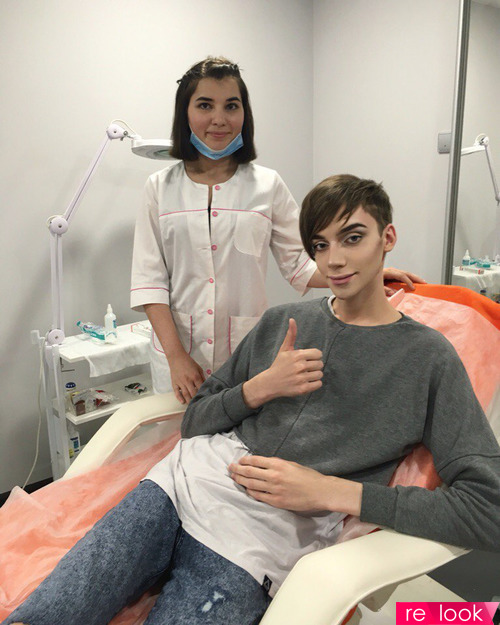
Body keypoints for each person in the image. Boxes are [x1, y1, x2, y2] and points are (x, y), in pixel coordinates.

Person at [6, 174, 500, 625]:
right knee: (44, 616)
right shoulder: (283, 322)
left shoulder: (428, 358)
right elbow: (195, 421)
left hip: (260, 540)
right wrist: (258, 388)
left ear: (387, 238)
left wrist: (330, 491)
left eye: (353, 238)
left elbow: (489, 509)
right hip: (180, 487)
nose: (334, 260)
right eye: (320, 245)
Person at [130, 56, 422, 402]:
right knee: (176, 433)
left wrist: (367, 271)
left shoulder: (267, 185)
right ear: (185, 112)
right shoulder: (159, 188)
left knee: (242, 429)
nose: (219, 119)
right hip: (179, 358)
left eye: (231, 106)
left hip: (246, 350)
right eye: (205, 105)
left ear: (245, 113)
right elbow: (150, 282)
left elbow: (300, 264)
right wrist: (176, 357)